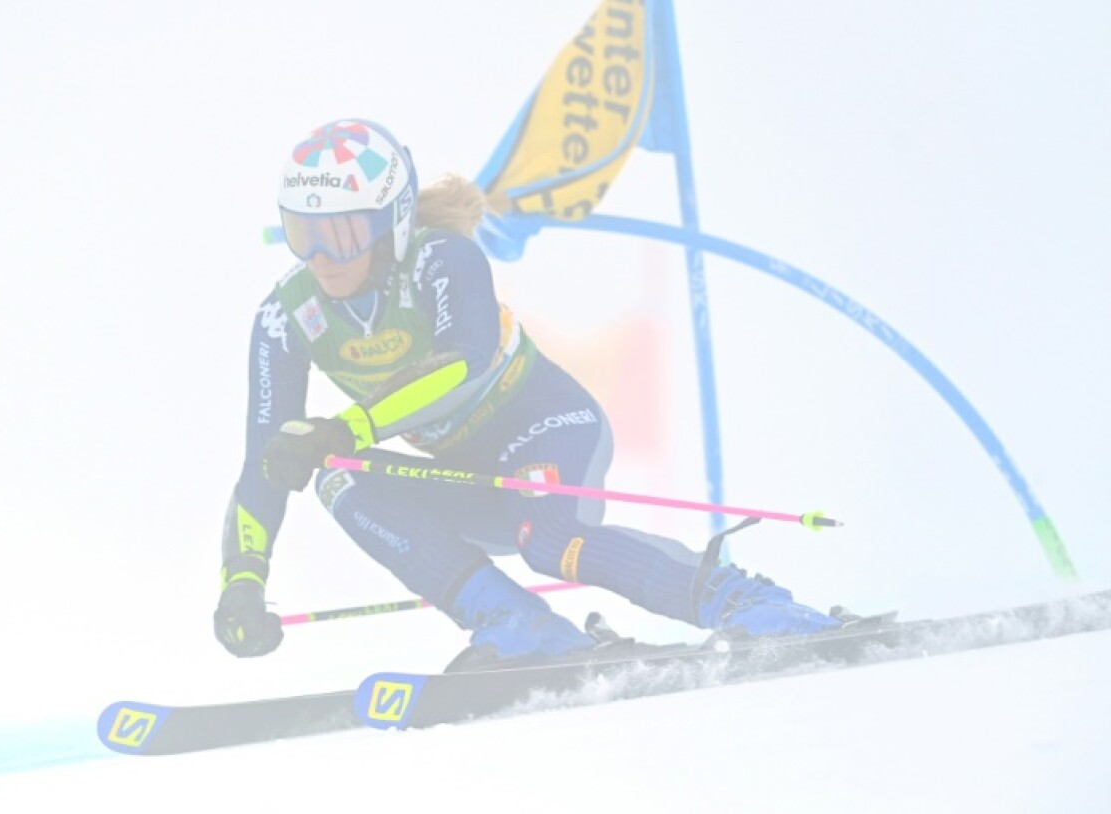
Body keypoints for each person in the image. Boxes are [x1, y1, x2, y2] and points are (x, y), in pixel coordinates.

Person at [213, 118, 842, 667]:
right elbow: (265, 461)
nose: (322, 257)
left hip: (546, 426)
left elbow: (464, 361)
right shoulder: (284, 317)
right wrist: (242, 580)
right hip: (469, 475)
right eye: (304, 233)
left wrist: (348, 426)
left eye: (344, 234)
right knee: (336, 476)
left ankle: (744, 600)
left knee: (548, 543)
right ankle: (521, 626)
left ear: (391, 224)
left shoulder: (443, 257)